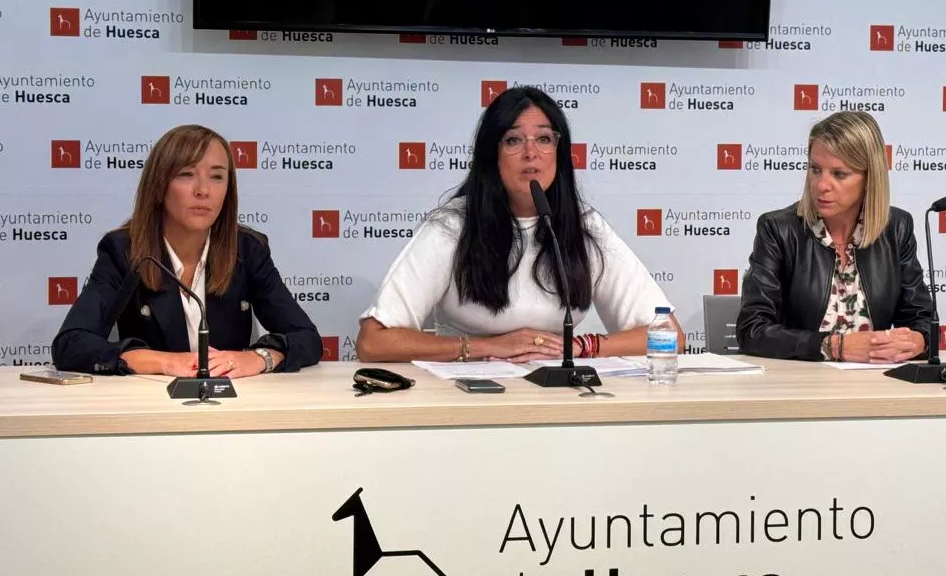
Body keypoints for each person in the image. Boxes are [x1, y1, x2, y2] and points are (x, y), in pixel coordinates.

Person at [357, 86, 682, 363]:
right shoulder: (452, 227)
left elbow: (670, 335)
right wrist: (489, 347)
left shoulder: (582, 225)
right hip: (465, 395)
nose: (531, 153)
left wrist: (581, 346)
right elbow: (373, 341)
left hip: (557, 397)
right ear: (491, 155)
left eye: (543, 139)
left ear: (559, 152)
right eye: (513, 140)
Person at [51, 124, 323, 377]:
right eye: (186, 174)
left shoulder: (247, 249)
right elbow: (71, 344)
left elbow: (306, 337)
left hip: (233, 406)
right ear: (159, 186)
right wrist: (165, 362)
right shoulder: (125, 251)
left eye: (217, 176)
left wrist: (259, 358)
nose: (203, 190)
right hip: (150, 406)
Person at [735, 110, 936, 364]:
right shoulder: (778, 229)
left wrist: (919, 340)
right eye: (815, 170)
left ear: (869, 177)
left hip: (877, 385)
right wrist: (834, 346)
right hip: (799, 385)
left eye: (839, 174)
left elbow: (923, 320)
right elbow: (752, 331)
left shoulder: (896, 228)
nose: (821, 185)